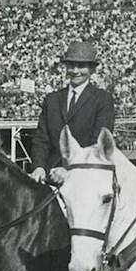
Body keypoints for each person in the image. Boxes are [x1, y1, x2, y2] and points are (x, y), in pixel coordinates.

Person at [30, 41, 116, 186]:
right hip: (50, 178)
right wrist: (38, 167)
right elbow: (41, 139)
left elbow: (97, 145)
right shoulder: (52, 100)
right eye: (71, 65)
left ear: (92, 70)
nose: (75, 71)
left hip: (85, 179)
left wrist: (69, 169)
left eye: (81, 66)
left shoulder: (102, 100)